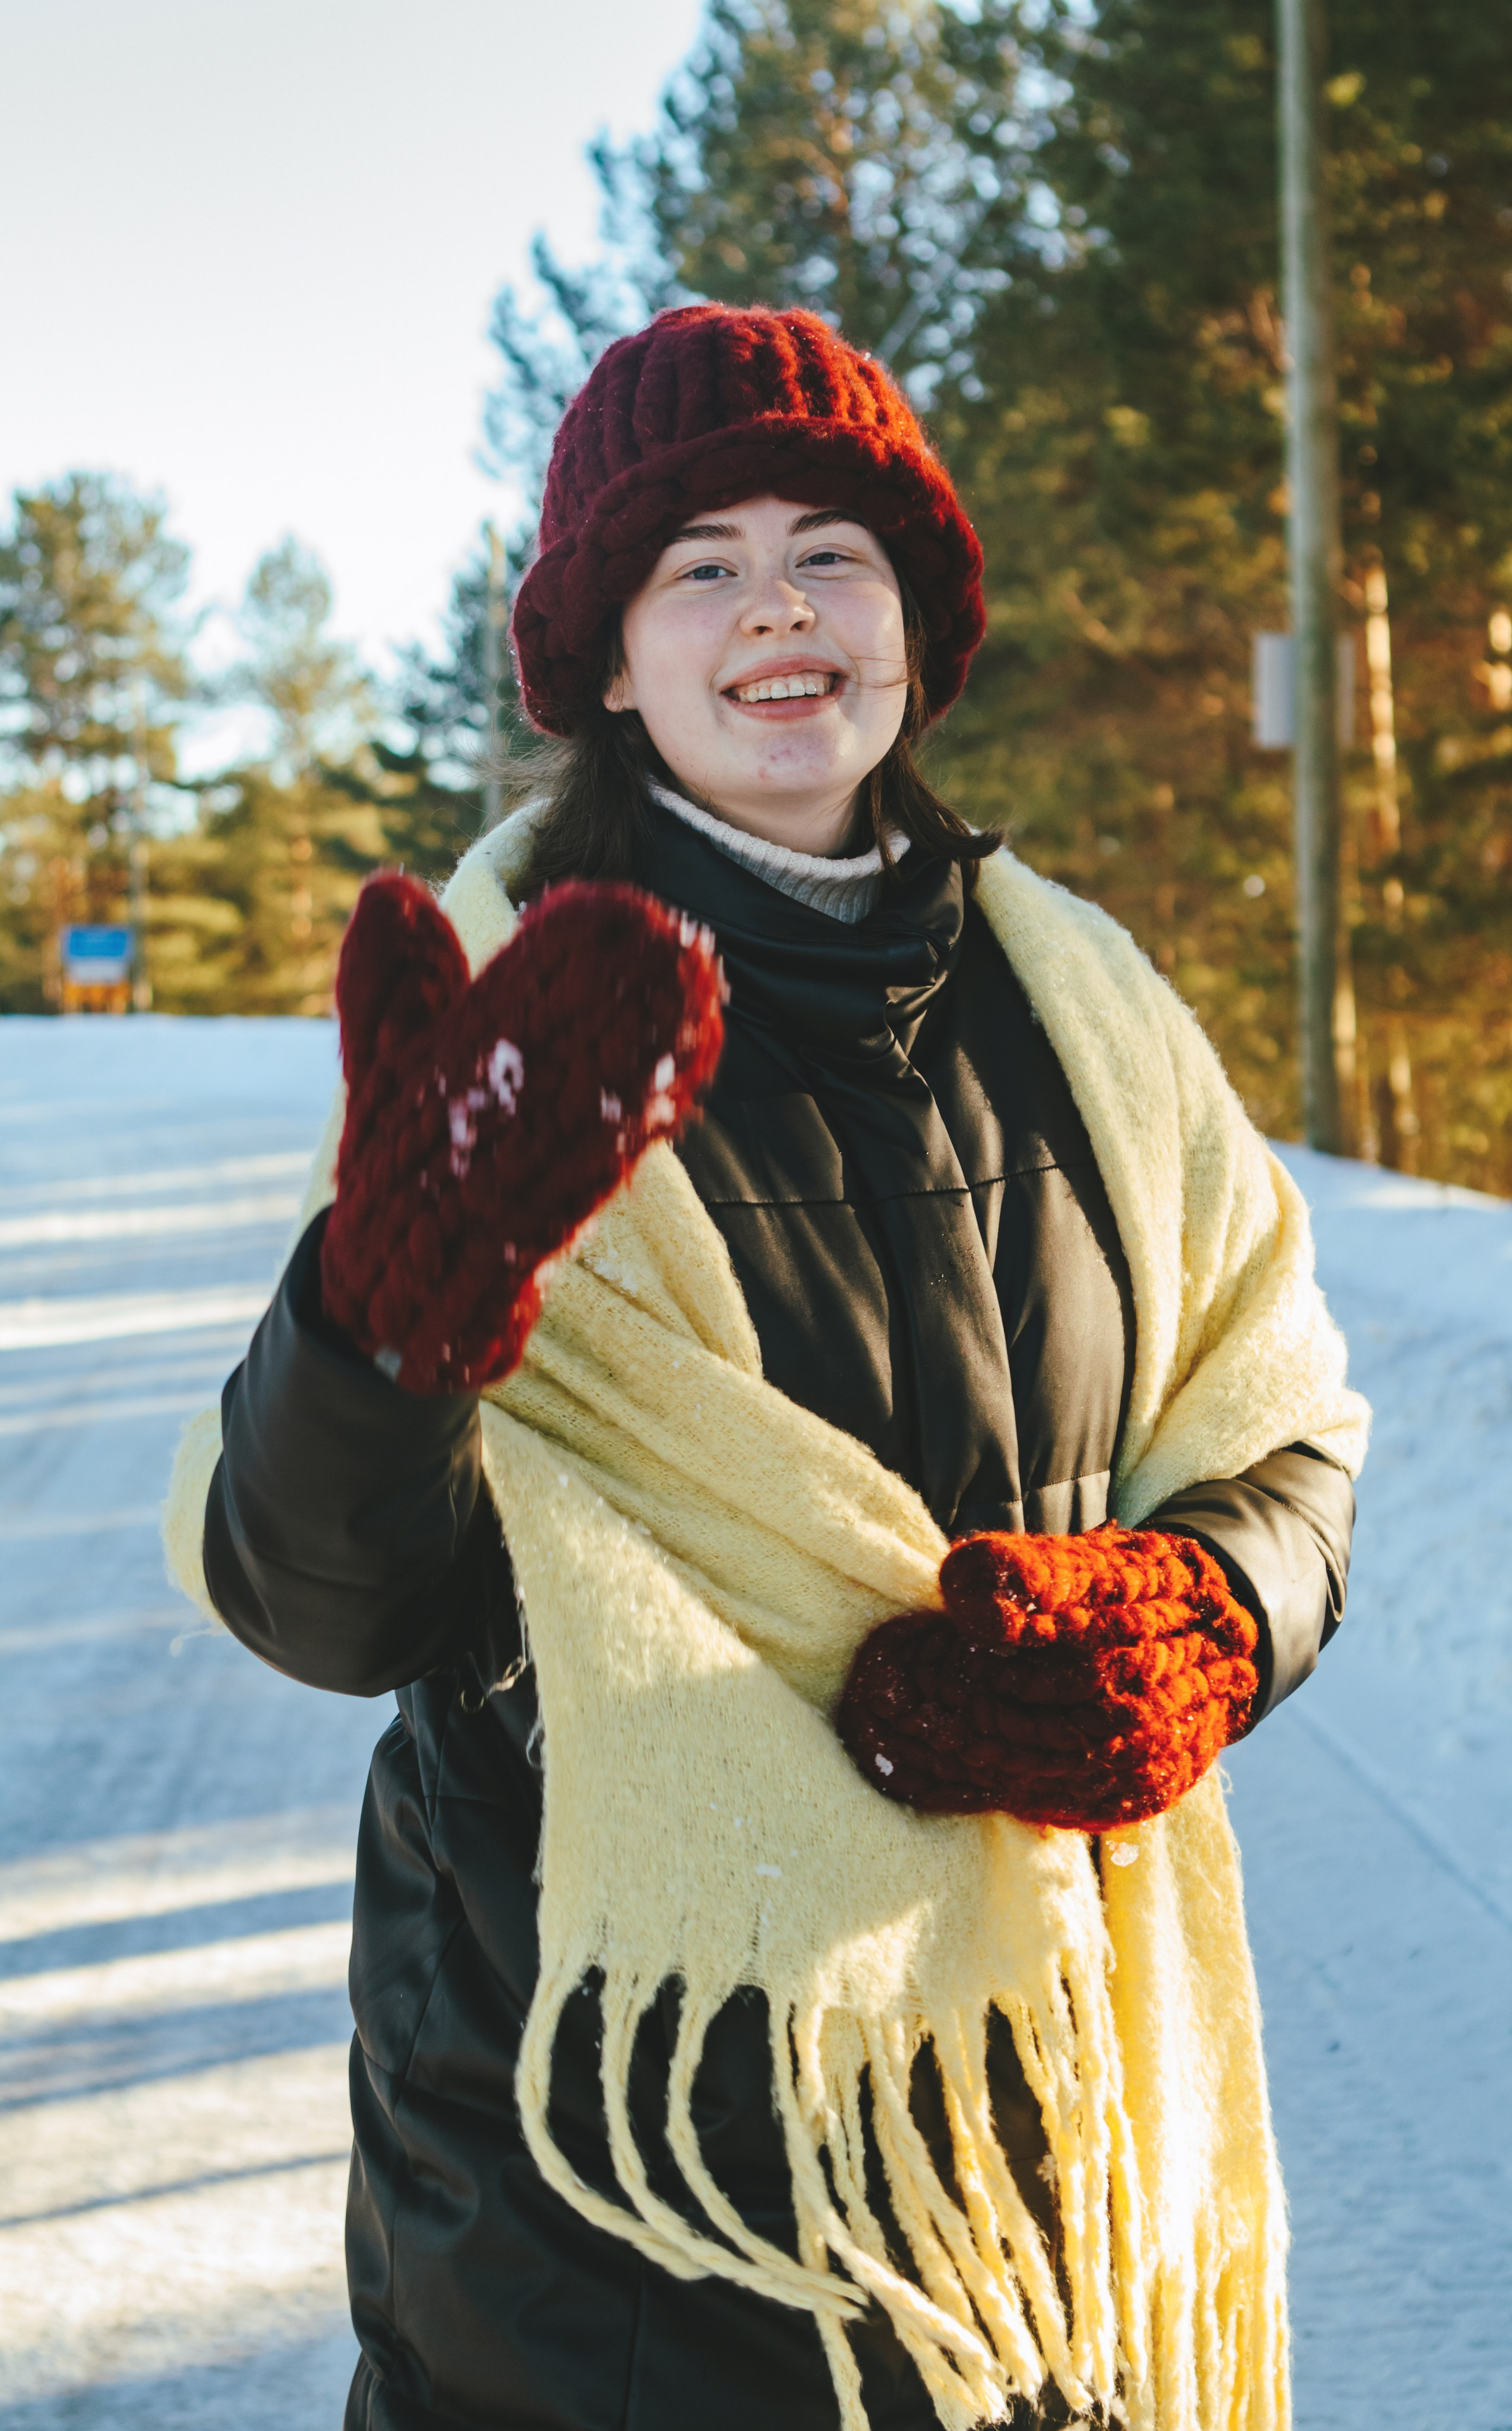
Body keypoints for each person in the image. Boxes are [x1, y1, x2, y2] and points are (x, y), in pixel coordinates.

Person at [165, 303, 1368, 2431]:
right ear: (610, 663)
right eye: (699, 565)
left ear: (916, 623)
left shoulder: (1086, 1003)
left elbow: (1281, 1423)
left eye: (833, 552)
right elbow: (333, 1606)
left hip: (1043, 2125)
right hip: (619, 2188)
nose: (779, 609)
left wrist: (1201, 1614)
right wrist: (379, 1327)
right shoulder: (521, 1037)